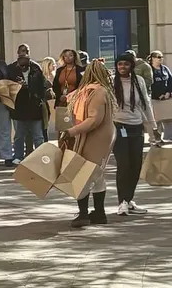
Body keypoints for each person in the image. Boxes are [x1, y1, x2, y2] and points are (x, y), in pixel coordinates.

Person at [59, 60, 117, 228]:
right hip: (102, 136)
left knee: (83, 174)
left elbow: (93, 120)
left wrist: (71, 131)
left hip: (95, 137)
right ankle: (99, 213)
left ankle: (83, 214)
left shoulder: (96, 92)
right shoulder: (98, 91)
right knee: (97, 174)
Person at [111, 51, 161, 215]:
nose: (122, 67)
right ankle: (122, 202)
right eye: (119, 64)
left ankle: (128, 199)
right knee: (124, 165)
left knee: (135, 166)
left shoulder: (138, 81)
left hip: (136, 127)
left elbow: (146, 104)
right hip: (118, 127)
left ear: (131, 66)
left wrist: (153, 128)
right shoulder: (111, 82)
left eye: (125, 64)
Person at [8, 44, 48, 162]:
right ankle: (18, 156)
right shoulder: (11, 69)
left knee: (38, 135)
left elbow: (41, 85)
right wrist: (19, 86)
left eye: (26, 52)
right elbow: (7, 87)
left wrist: (38, 96)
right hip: (19, 106)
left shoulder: (36, 67)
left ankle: (41, 156)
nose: (24, 54)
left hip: (34, 106)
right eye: (21, 52)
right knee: (19, 135)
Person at [150, 50, 172, 143]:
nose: (161, 59)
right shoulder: (149, 69)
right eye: (158, 57)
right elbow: (149, 84)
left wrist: (168, 92)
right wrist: (158, 94)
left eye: (161, 57)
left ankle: (169, 137)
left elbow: (170, 80)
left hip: (166, 98)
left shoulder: (165, 69)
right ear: (152, 58)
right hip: (155, 98)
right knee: (157, 120)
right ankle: (157, 138)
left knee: (168, 118)